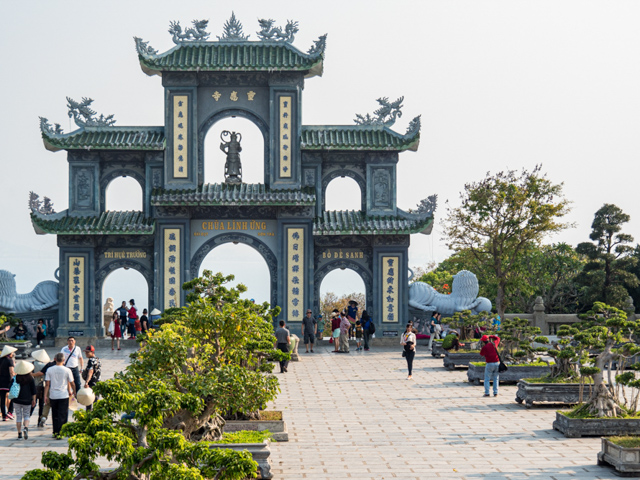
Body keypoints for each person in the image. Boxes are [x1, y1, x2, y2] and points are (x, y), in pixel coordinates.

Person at [44, 352, 75, 438]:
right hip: (63, 395)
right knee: (63, 414)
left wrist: (45, 396)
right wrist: (74, 392)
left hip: (53, 395)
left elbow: (47, 384)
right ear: (64, 360)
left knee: (55, 414)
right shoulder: (67, 370)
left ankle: (55, 431)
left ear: (55, 359)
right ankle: (62, 431)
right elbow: (72, 383)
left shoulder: (49, 370)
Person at [13, 360, 36, 439]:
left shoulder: (15, 378)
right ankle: (26, 427)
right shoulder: (30, 378)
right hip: (27, 400)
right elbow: (33, 391)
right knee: (26, 415)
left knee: (18, 416)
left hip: (17, 399)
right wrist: (34, 400)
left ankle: (19, 433)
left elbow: (10, 387)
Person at [31, 349, 53, 428]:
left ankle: (27, 418)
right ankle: (40, 421)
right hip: (43, 386)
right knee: (42, 404)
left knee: (33, 403)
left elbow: (31, 374)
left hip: (34, 385)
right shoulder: (45, 365)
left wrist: (32, 374)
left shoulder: (33, 364)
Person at [0, 345, 17, 421]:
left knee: (2, 399)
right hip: (7, 381)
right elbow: (11, 372)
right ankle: (10, 412)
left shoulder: (0, 360)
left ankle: (4, 415)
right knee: (12, 396)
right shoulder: (9, 361)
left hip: (0, 382)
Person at [82, 345, 101, 411]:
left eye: (88, 352)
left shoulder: (91, 361)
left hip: (91, 383)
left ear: (92, 352)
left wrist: (87, 382)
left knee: (89, 400)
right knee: (96, 399)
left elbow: (90, 372)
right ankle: (96, 414)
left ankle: (88, 415)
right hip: (97, 382)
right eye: (85, 352)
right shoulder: (97, 359)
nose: (86, 354)